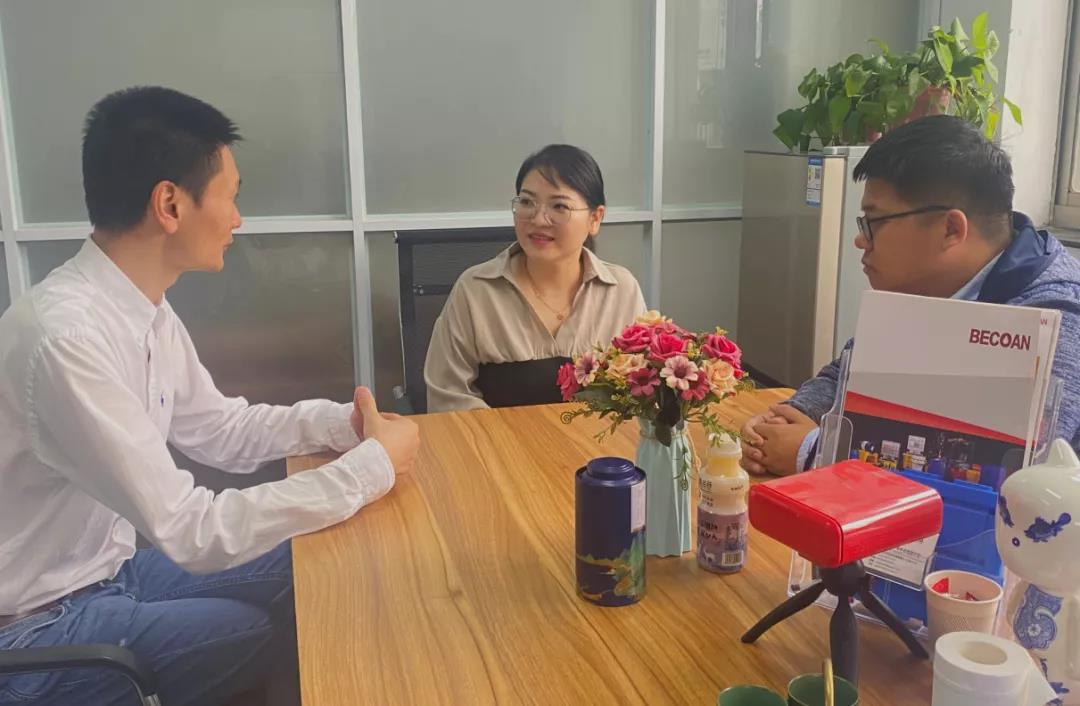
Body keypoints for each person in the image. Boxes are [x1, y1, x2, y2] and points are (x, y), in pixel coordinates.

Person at [0, 86, 419, 706]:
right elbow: (191, 530)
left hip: (110, 573)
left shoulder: (141, 308)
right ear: (170, 204)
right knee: (254, 632)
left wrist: (346, 425)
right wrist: (370, 468)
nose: (238, 219)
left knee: (317, 558)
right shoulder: (65, 340)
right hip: (38, 631)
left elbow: (219, 429)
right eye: (232, 195)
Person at [740, 115, 1080, 476]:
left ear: (951, 229)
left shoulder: (1053, 318)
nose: (860, 240)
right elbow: (850, 370)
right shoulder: (926, 287)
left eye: (874, 222)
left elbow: (1015, 478)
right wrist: (789, 417)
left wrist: (813, 452)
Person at [425, 144, 646, 411]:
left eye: (559, 206)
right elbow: (448, 396)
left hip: (595, 439)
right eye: (527, 202)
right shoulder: (475, 291)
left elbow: (641, 393)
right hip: (496, 438)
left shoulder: (621, 290)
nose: (539, 219)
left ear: (595, 218)